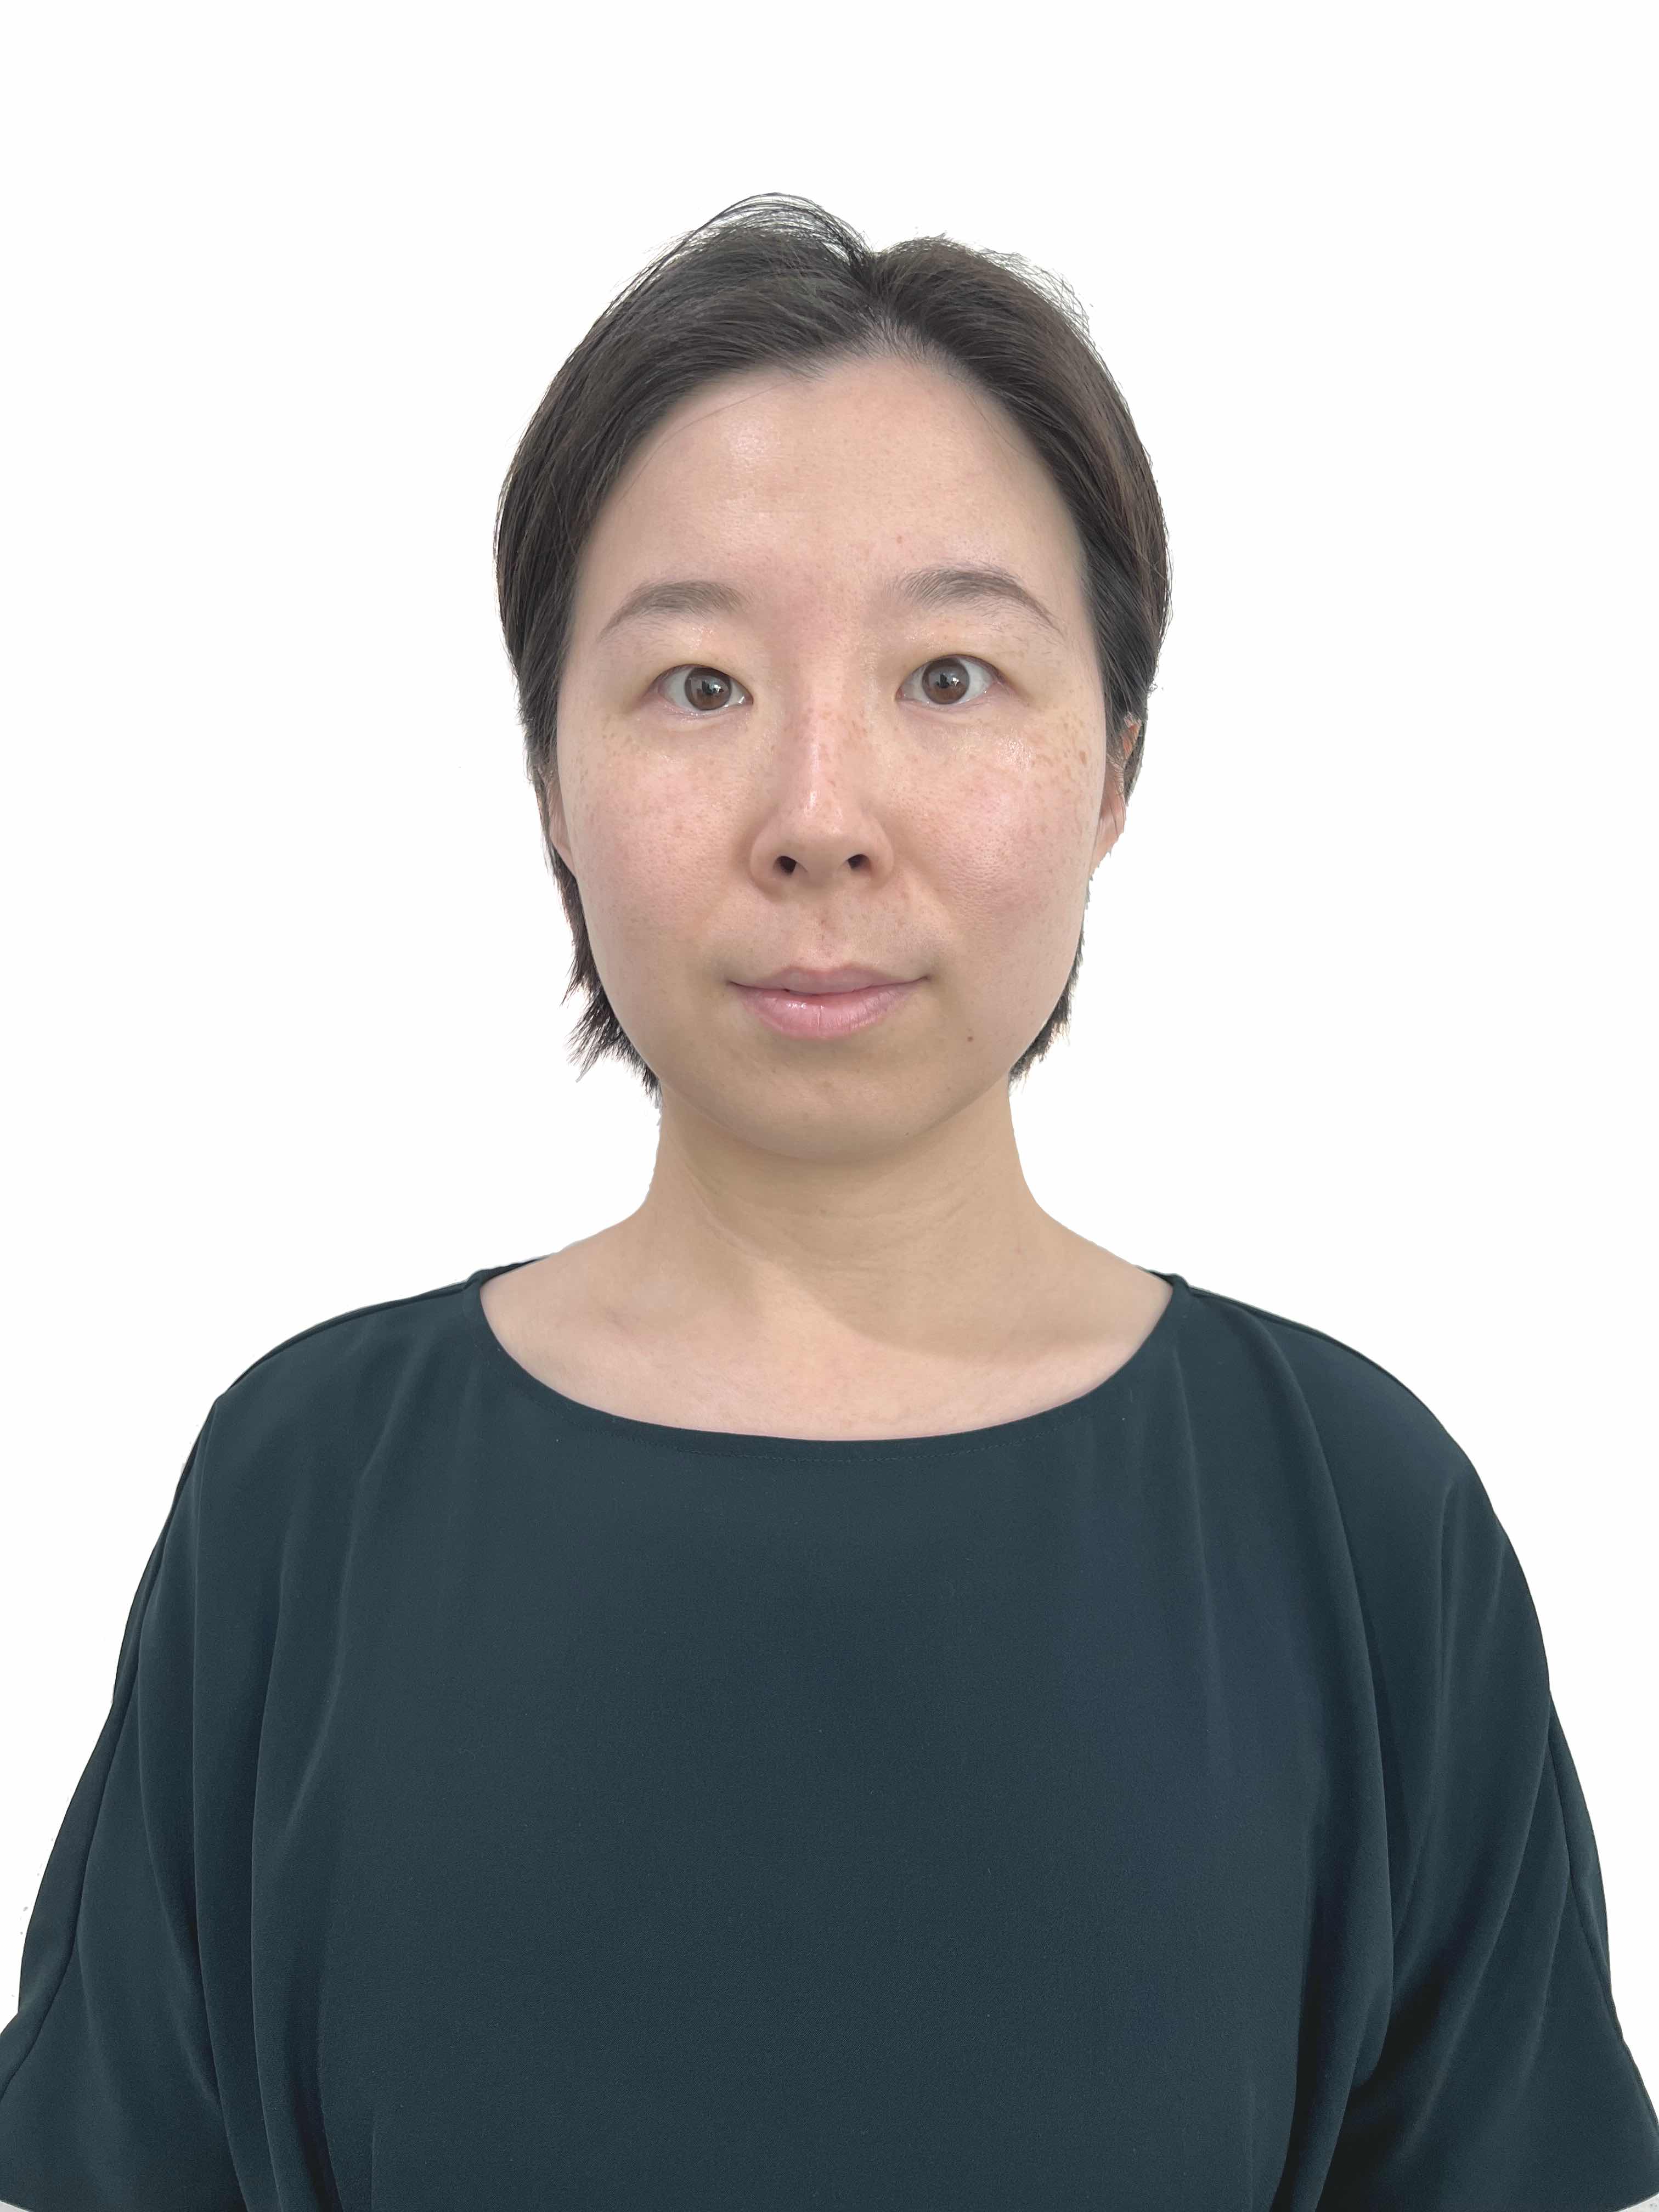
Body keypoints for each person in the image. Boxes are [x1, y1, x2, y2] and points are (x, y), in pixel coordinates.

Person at [3, 192, 1656, 2212]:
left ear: (1116, 770)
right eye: (699, 686)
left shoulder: (1356, 1523)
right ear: (549, 776)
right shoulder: (303, 1497)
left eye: (949, 677)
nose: (818, 820)